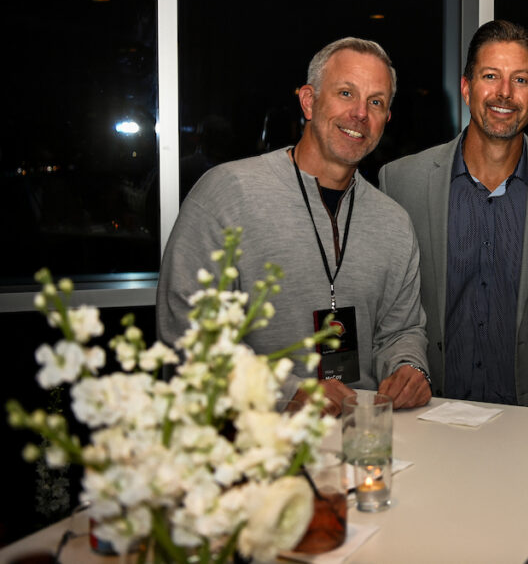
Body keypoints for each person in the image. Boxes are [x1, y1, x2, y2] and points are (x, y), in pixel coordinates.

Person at [156, 37, 431, 413]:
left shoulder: (394, 222)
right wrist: (286, 392)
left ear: (386, 119)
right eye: (346, 93)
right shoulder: (228, 194)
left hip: (364, 434)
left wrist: (409, 367)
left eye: (376, 102)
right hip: (253, 444)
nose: (361, 114)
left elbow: (401, 331)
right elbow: (186, 335)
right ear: (308, 101)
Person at [378, 20, 528, 413]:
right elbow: (385, 316)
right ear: (467, 88)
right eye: (490, 76)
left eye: (520, 79)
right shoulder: (402, 183)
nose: (504, 93)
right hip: (431, 417)